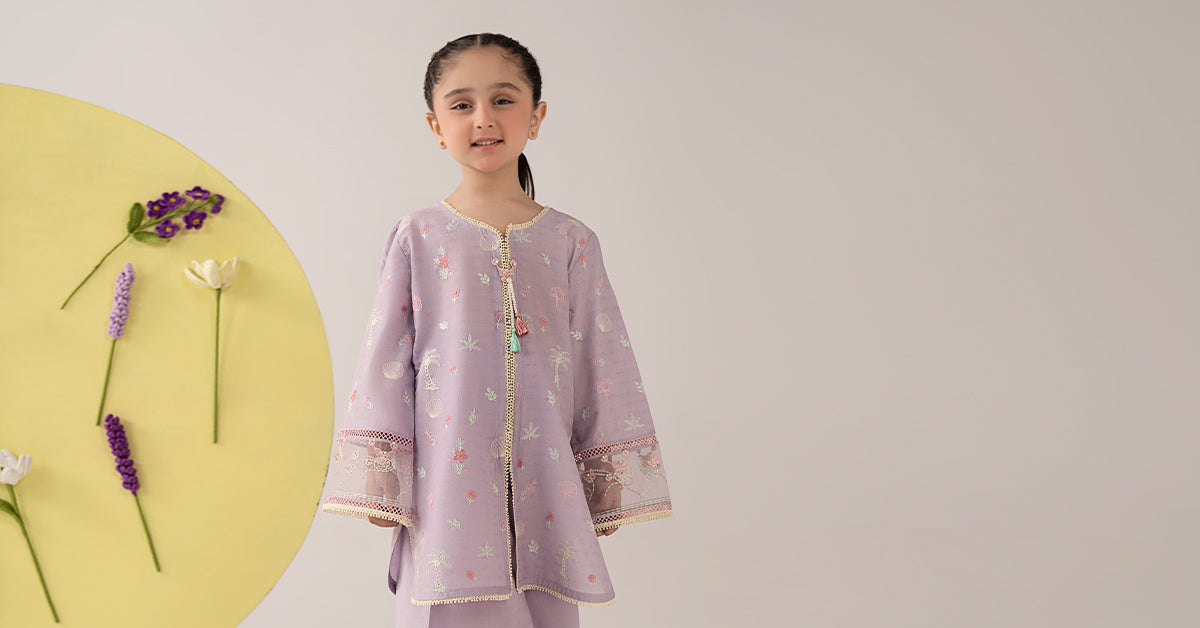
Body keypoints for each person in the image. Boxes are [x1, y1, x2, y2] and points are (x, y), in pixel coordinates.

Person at [322, 33, 672, 627]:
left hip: (548, 488)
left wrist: (604, 476)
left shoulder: (570, 241)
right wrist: (384, 475)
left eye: (503, 100)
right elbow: (386, 359)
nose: (483, 118)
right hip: (446, 488)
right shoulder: (419, 236)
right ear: (436, 126)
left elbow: (602, 358)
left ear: (536, 116)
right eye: (462, 105)